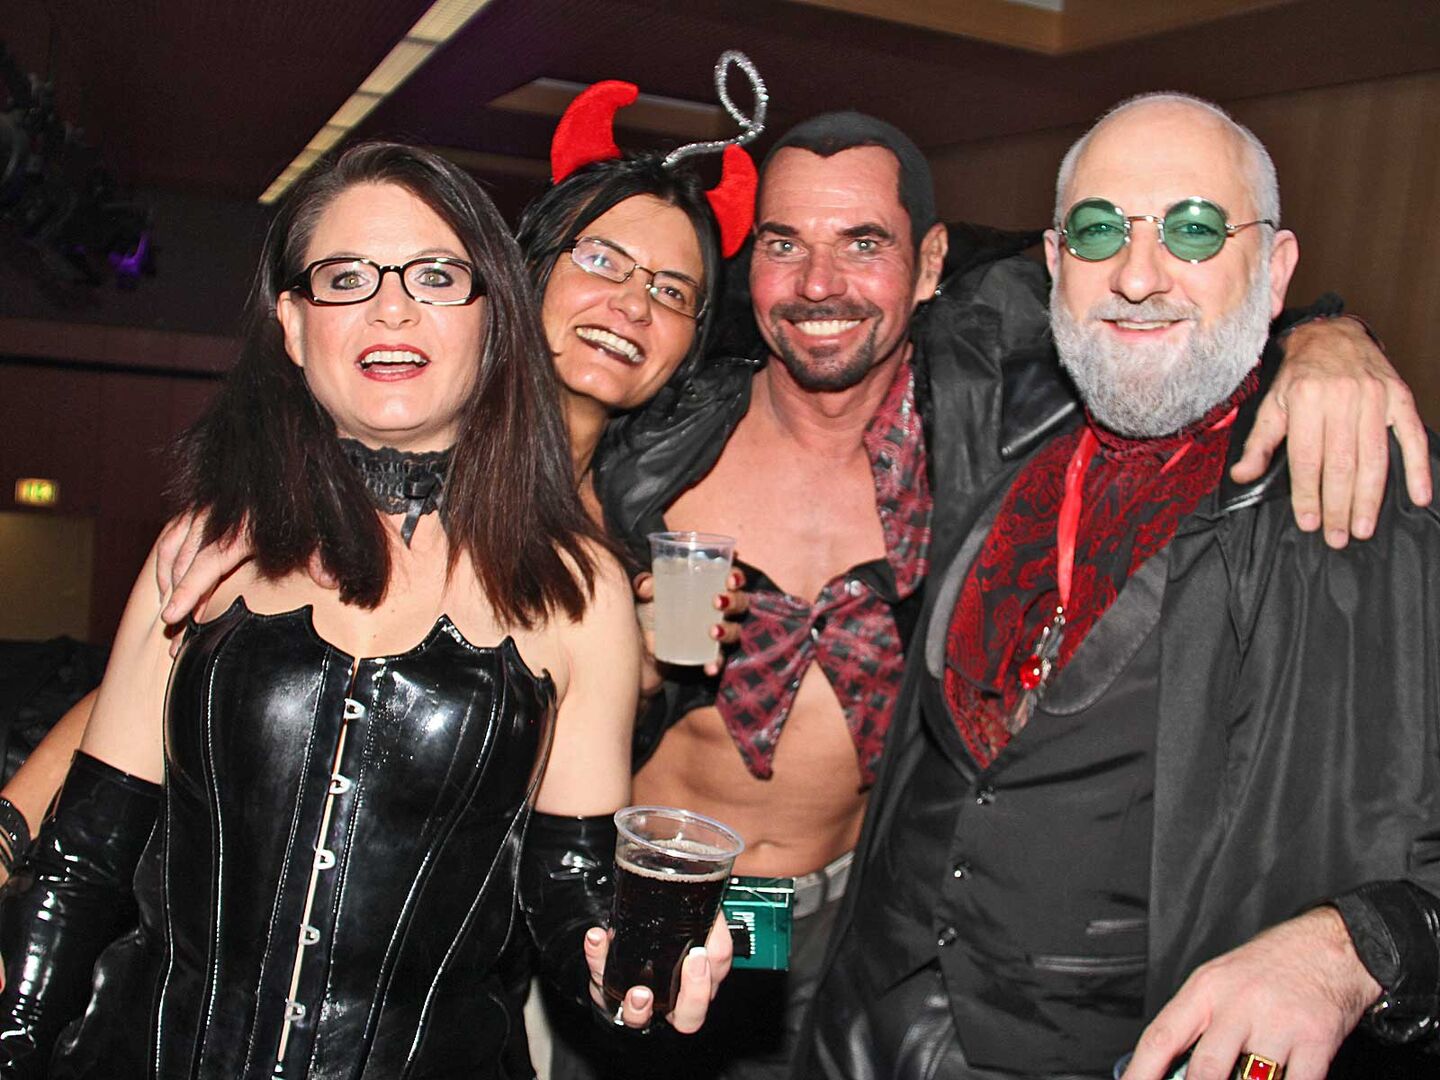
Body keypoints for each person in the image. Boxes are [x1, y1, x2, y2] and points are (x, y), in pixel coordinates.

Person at [576, 109, 1433, 1079]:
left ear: (930, 264)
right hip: (693, 915)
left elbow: (1170, 329)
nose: (819, 283)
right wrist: (632, 665)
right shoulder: (654, 439)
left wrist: (1327, 335)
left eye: (864, 243)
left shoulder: (986, 408)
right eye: (784, 244)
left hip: (874, 941)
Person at [0, 140, 728, 1079]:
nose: (391, 307)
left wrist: (629, 964)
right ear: (294, 327)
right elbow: (85, 863)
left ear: (493, 320)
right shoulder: (206, 545)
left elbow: (569, 892)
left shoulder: (581, 586)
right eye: (346, 278)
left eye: (435, 276)